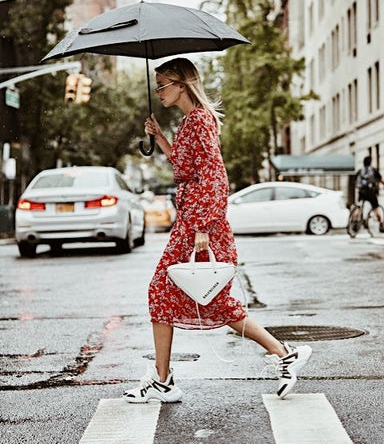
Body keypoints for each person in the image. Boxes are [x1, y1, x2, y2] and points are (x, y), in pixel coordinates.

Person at [123, 57, 312, 403]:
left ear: (182, 84)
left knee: (180, 295)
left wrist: (203, 229)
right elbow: (184, 168)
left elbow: (214, 176)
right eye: (158, 85)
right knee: (199, 300)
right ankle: (282, 353)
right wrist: (161, 137)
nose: (159, 91)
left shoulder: (199, 121)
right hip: (193, 223)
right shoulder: (191, 122)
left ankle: (281, 353)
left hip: (200, 225)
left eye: (163, 84)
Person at [353, 156, 384, 232]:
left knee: (358, 207)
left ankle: (354, 221)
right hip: (371, 193)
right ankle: (381, 224)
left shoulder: (360, 171)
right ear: (370, 163)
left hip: (362, 192)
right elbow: (381, 180)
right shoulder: (373, 170)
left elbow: (355, 182)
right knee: (376, 208)